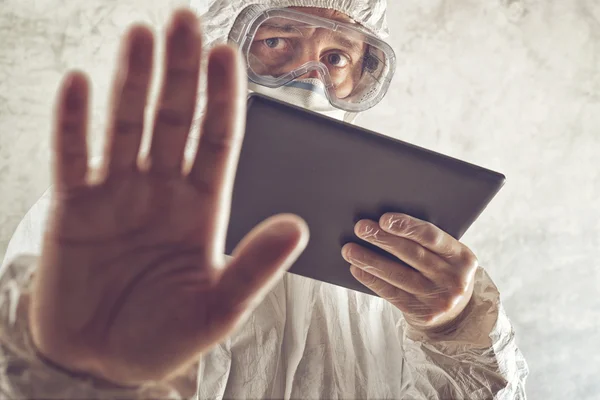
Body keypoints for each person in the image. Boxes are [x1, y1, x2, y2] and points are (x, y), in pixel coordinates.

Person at [0, 0, 528, 398]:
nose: (309, 79)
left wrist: (455, 330)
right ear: (220, 48)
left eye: (336, 56)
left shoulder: (402, 253)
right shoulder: (103, 215)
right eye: (277, 42)